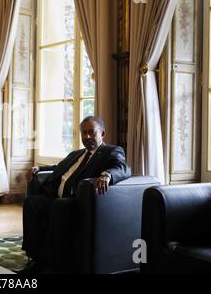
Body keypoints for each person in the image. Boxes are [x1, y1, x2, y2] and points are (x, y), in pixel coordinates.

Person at [21, 116, 131, 273]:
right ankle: (35, 256)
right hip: (55, 197)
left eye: (91, 133)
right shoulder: (76, 154)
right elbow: (58, 167)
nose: (87, 137)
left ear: (103, 133)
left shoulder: (111, 151)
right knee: (31, 202)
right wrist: (39, 169)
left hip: (77, 202)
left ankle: (52, 264)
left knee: (60, 205)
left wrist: (107, 175)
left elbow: (122, 167)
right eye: (84, 133)